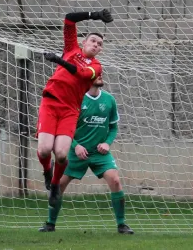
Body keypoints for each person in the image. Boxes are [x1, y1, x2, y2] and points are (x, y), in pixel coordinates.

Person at [38, 75, 133, 234]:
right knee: (59, 185)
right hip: (76, 152)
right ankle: (50, 224)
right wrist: (75, 146)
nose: (100, 75)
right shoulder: (76, 100)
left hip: (99, 153)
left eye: (101, 73)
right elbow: (64, 126)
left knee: (115, 181)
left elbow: (113, 128)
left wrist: (107, 143)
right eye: (96, 74)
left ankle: (122, 225)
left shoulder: (109, 100)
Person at [37, 9, 113, 206]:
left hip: (70, 109)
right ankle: (47, 171)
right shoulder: (71, 48)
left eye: (99, 44)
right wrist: (94, 14)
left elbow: (80, 74)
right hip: (51, 102)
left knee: (62, 154)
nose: (96, 45)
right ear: (84, 42)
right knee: (45, 150)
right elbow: (69, 18)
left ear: (100, 50)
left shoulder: (96, 67)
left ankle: (55, 185)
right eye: (93, 41)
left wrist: (59, 60)